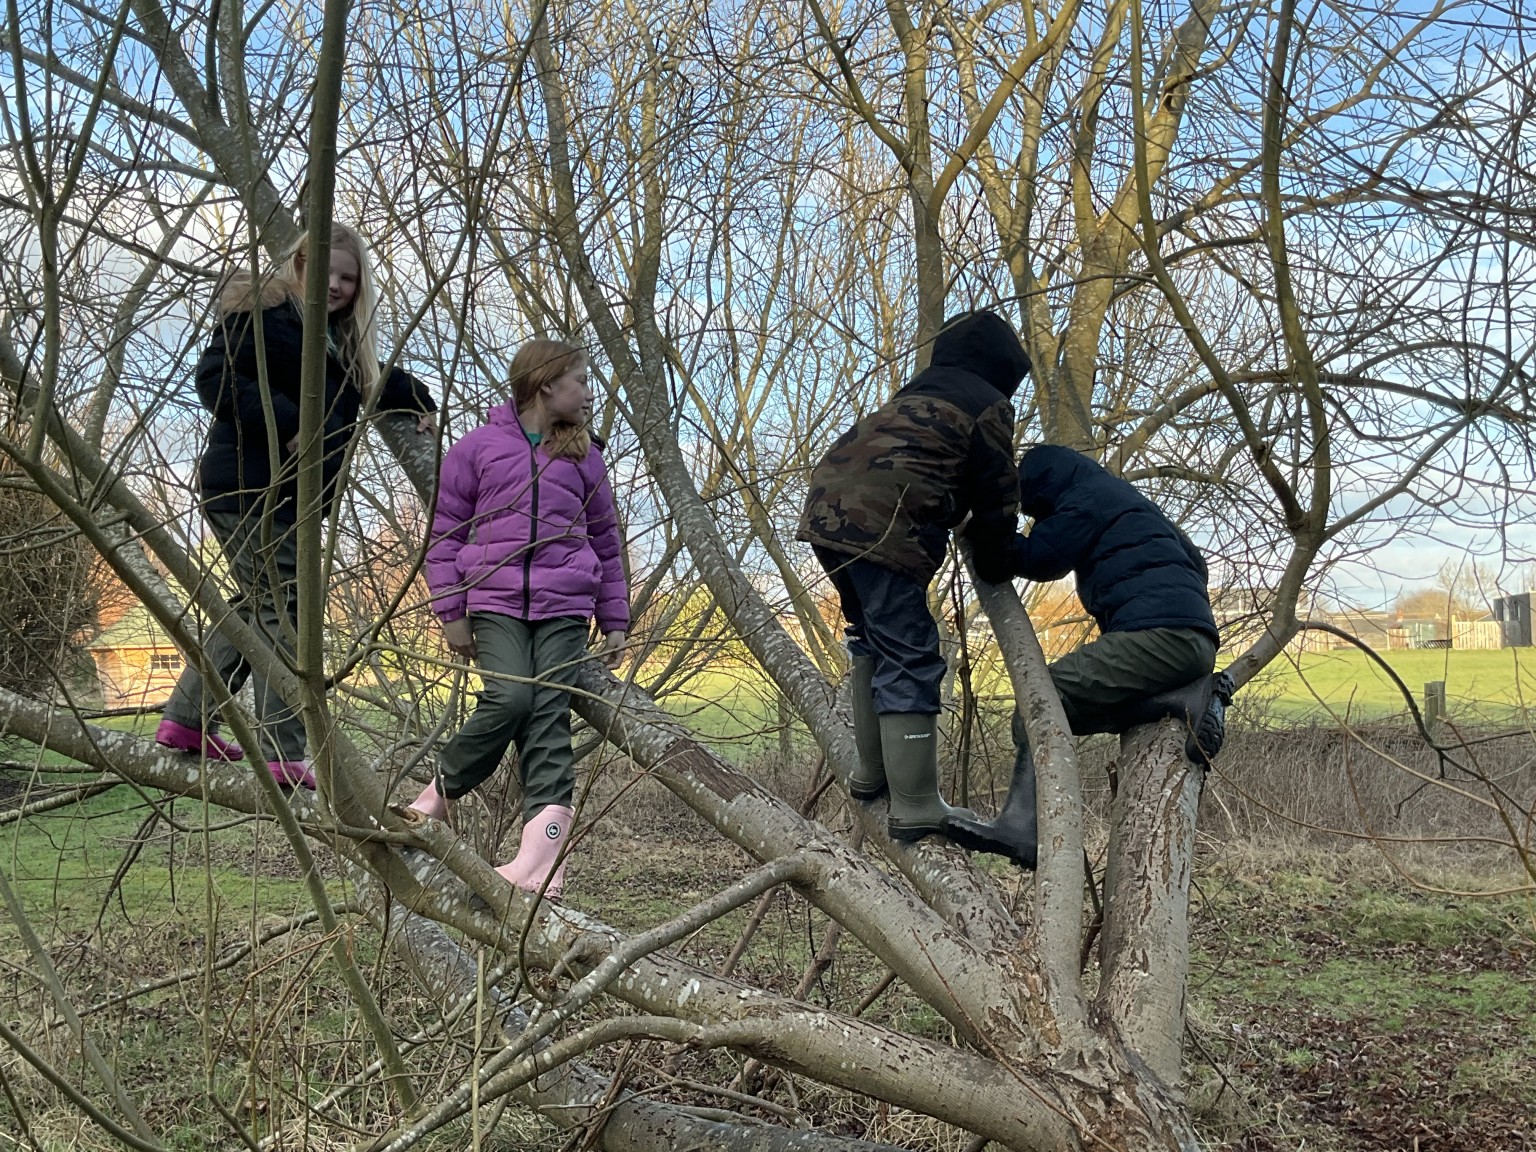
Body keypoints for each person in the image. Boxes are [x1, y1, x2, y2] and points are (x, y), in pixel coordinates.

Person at [156, 224, 437, 790]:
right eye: (324, 272)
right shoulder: (264, 312)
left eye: (348, 279)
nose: (334, 286)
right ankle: (282, 751)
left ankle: (187, 721)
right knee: (284, 608)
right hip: (250, 485)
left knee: (258, 604)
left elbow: (373, 382)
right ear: (298, 266)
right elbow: (215, 378)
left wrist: (421, 400)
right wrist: (291, 421)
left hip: (290, 497)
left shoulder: (336, 340)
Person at [797, 310, 1033, 841]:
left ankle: (871, 774)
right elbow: (998, 490)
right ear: (1002, 371)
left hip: (826, 517)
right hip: (885, 528)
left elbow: (917, 464)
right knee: (911, 654)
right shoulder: (985, 404)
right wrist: (999, 556)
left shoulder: (907, 399)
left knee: (873, 639)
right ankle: (917, 805)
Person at [408, 338, 629, 899]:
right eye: (581, 380)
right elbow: (445, 535)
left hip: (565, 607)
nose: (588, 393)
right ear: (546, 384)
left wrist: (615, 618)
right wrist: (450, 611)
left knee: (547, 719)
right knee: (511, 700)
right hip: (495, 602)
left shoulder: (585, 456)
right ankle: (439, 792)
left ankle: (541, 867)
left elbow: (606, 540)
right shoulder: (478, 448)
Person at [950, 443, 1230, 868]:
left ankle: (1022, 828)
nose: (1037, 517)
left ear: (1047, 484)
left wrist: (983, 527)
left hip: (1156, 637)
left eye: (1036, 508)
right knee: (1069, 716)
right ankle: (1182, 699)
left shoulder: (1086, 499)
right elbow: (1196, 562)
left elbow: (1032, 559)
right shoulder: (1133, 505)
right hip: (1194, 642)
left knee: (1040, 699)